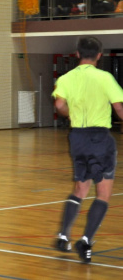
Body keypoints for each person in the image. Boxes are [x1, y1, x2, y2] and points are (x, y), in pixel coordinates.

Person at [52, 36, 123, 264]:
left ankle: (63, 235)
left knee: (80, 190)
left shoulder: (66, 77)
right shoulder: (105, 77)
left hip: (77, 138)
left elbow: (60, 105)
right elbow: (119, 107)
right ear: (99, 55)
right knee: (102, 194)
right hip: (100, 138)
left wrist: (69, 113)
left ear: (77, 54)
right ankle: (86, 241)